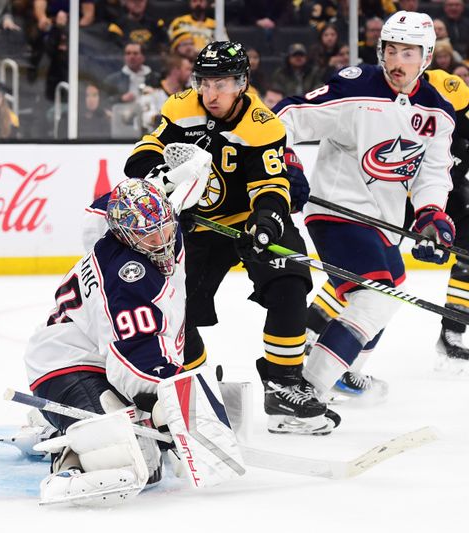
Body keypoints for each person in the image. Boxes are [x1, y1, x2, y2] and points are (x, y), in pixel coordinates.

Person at [124, 41, 337, 435]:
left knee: (290, 277)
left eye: (221, 83)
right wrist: (157, 173)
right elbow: (145, 152)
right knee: (174, 311)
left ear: (241, 83)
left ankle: (283, 382)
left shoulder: (262, 125)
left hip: (246, 222)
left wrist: (268, 224)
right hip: (197, 227)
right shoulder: (181, 107)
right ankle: (196, 387)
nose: (210, 94)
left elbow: (272, 186)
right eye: (204, 82)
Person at [273, 11, 456, 404]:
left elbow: (434, 174)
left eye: (408, 52)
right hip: (338, 211)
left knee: (394, 284)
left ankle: (343, 369)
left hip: (383, 222)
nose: (396, 62)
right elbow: (286, 117)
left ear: (426, 57)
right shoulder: (357, 88)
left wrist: (432, 216)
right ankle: (304, 391)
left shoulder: (438, 112)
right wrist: (285, 164)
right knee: (377, 296)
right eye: (390, 50)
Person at [22, 179, 185, 504]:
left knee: (152, 458)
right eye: (149, 234)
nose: (161, 240)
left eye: (165, 228)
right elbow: (131, 356)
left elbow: (178, 193)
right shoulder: (128, 277)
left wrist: (181, 173)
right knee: (126, 459)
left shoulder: (139, 232)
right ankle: (68, 456)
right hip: (65, 366)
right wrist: (165, 400)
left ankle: (59, 420)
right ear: (125, 236)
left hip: (97, 360)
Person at [305, 66, 469, 374]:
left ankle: (453, 331)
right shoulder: (407, 101)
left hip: (434, 199)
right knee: (369, 272)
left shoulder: (456, 112)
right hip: (391, 192)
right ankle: (313, 325)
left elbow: (443, 173)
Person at [138, 54, 192, 131]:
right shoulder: (153, 90)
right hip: (156, 138)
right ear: (175, 70)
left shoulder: (190, 93)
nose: (190, 73)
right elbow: (146, 117)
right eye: (187, 69)